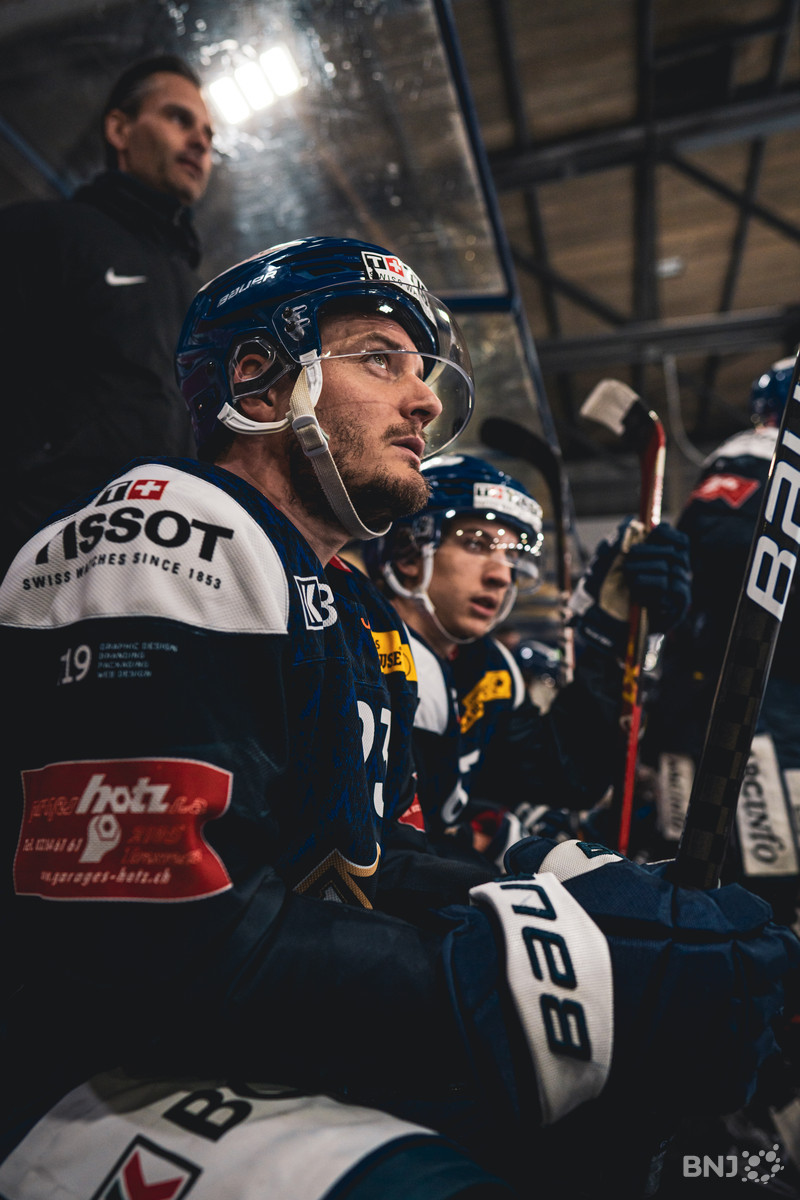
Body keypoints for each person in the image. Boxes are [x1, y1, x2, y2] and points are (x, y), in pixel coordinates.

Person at [0, 237, 797, 1200]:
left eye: (423, 372)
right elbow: (155, 946)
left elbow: (369, 856)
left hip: (224, 1031)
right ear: (257, 379)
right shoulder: (167, 528)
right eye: (381, 359)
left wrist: (574, 904)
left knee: (614, 1139)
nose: (424, 400)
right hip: (73, 1069)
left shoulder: (341, 602)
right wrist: (535, 982)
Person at [362, 453, 693, 863]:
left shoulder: (490, 666)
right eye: (476, 544)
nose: (502, 574)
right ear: (408, 552)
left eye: (512, 555)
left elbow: (566, 777)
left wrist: (610, 643)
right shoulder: (363, 651)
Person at [0, 54, 214, 577]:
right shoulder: (40, 234)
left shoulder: (200, 294)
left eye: (209, 133)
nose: (200, 142)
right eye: (179, 118)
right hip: (34, 559)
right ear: (120, 129)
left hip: (162, 567)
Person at [645, 357, 800, 926]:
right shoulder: (756, 453)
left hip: (758, 682)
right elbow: (717, 552)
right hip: (740, 682)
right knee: (761, 862)